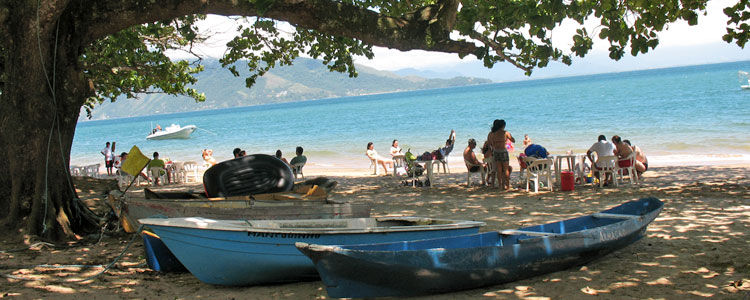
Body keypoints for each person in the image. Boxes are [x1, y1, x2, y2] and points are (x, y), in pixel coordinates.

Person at [487, 119, 515, 190]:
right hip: (503, 151)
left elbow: (489, 143)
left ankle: (500, 186)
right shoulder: (505, 133)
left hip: (496, 152)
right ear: (502, 126)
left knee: (498, 170)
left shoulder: (491, 134)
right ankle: (507, 185)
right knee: (505, 169)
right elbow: (513, 140)